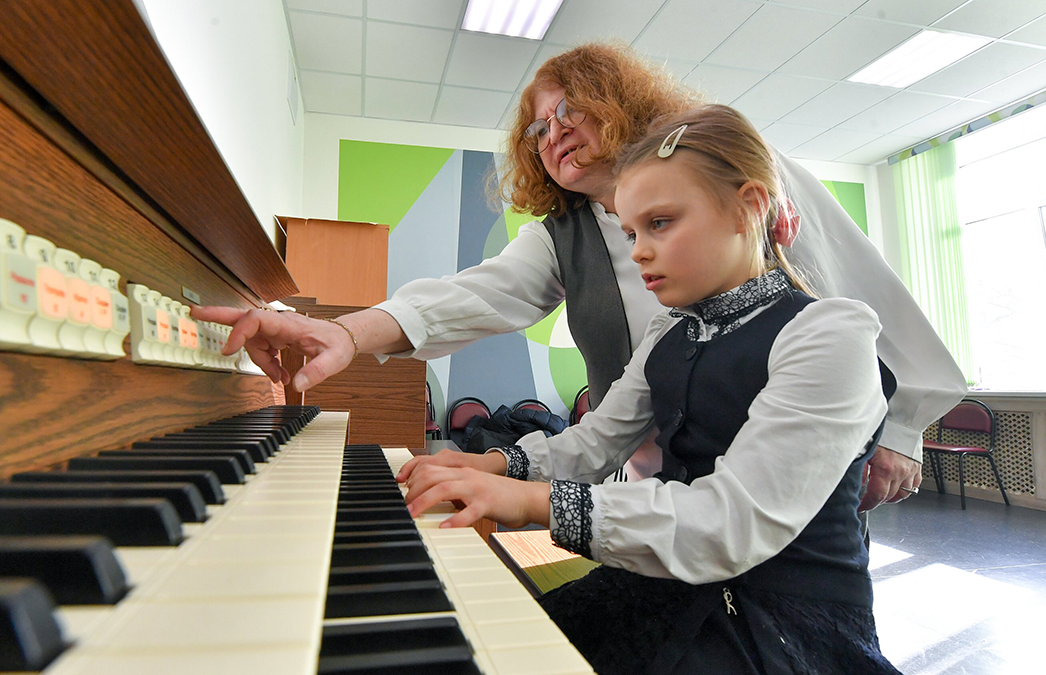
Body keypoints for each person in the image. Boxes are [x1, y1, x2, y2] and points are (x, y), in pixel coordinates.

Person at [191, 42, 965, 510]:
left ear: (619, 103)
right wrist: (343, 333)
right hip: (649, 486)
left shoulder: (743, 171)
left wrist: (902, 430)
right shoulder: (563, 236)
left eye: (570, 110)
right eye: (537, 126)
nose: (552, 132)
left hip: (784, 471)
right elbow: (469, 296)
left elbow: (862, 292)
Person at [401, 104, 901, 675]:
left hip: (781, 623)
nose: (638, 250)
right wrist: (490, 466)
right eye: (631, 231)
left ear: (749, 205)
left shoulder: (830, 333)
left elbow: (731, 523)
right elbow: (596, 442)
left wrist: (531, 501)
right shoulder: (670, 329)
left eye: (660, 223)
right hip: (672, 585)